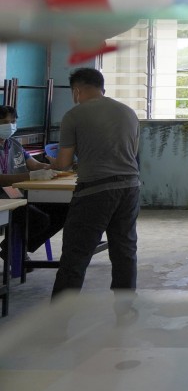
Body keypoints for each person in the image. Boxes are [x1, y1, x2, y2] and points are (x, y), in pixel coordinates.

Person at [50, 67, 142, 300]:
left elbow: (63, 164)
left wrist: (47, 164)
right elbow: (129, 153)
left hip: (95, 191)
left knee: (76, 255)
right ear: (102, 88)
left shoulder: (74, 115)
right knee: (124, 250)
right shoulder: (128, 112)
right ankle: (125, 310)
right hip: (130, 188)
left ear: (77, 90)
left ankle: (57, 324)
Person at [0, 106, 67, 261]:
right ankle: (14, 249)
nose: (10, 125)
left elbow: (34, 164)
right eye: (4, 122)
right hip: (4, 198)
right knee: (38, 219)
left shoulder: (13, 144)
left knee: (64, 209)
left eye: (13, 121)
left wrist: (53, 166)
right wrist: (31, 176)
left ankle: (14, 248)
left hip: (20, 195)